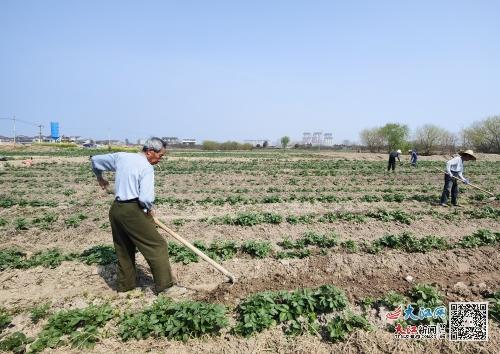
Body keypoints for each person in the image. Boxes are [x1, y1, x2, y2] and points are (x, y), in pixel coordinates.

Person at [90, 137, 186, 295]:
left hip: (116, 210)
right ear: (149, 152)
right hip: (132, 210)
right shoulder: (147, 167)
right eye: (160, 156)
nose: (160, 159)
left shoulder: (122, 157)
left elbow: (95, 160)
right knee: (157, 245)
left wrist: (100, 177)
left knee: (124, 249)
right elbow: (146, 199)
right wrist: (149, 209)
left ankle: (125, 286)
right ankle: (166, 287)